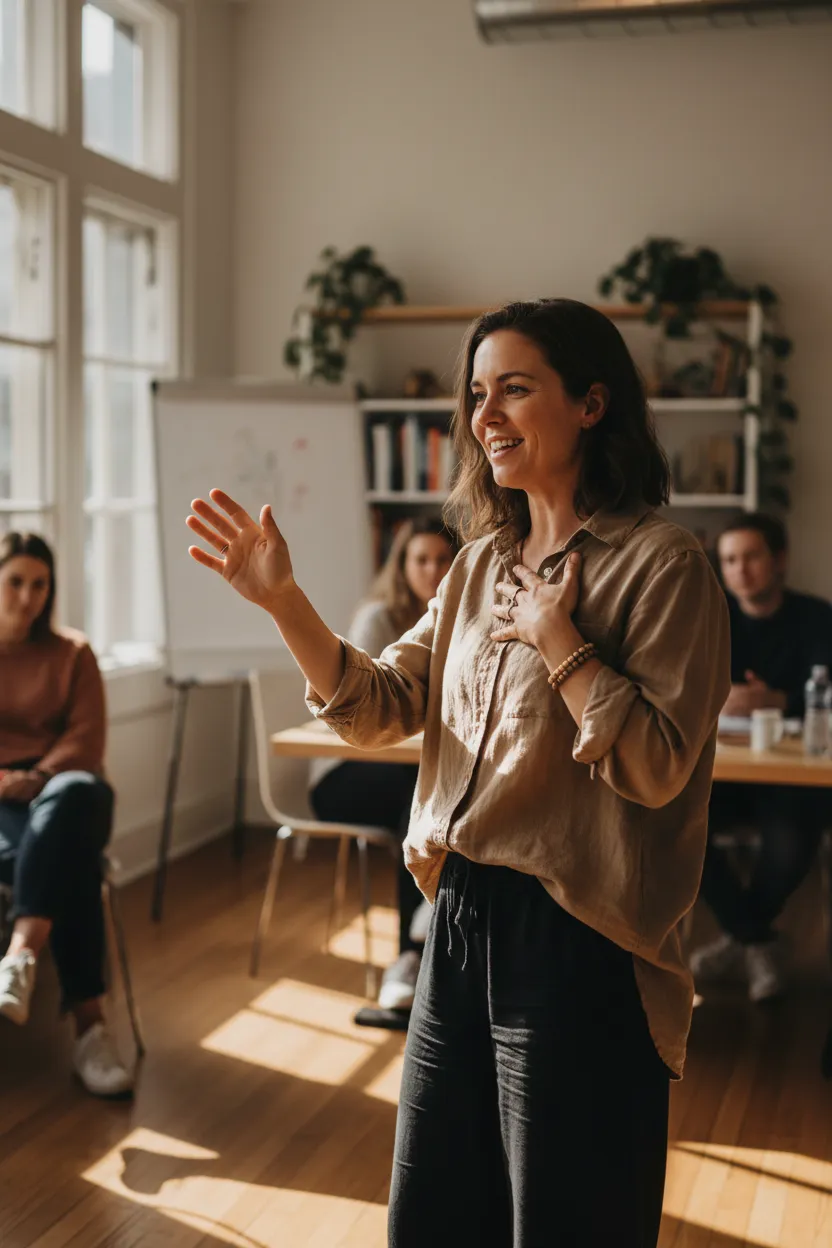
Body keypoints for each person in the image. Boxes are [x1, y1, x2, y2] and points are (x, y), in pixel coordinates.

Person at [186, 298, 730, 1248]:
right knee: (433, 1217)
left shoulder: (664, 566)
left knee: (566, 1222)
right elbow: (378, 705)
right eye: (478, 394)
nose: (486, 416)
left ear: (591, 403)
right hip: (459, 919)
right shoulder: (478, 565)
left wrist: (562, 644)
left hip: (581, 943)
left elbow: (655, 770)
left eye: (515, 389)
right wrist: (286, 605)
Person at [0, 532, 132, 1098]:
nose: (27, 596)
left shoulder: (72, 652)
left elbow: (87, 739)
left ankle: (19, 955)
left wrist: (39, 776)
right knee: (72, 861)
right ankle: (90, 1032)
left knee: (80, 795)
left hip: (60, 786)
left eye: (39, 584)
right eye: (15, 582)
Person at [309, 516, 455, 1010]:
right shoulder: (379, 617)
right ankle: (411, 952)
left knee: (427, 794)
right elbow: (366, 718)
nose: (432, 569)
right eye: (421, 559)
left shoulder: (459, 618)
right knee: (419, 796)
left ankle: (433, 940)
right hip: (343, 775)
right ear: (402, 564)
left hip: (411, 774)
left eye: (442, 559)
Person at [691, 512, 832, 1002]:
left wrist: (778, 700)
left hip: (793, 776)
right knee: (678, 826)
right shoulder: (709, 617)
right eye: (729, 559)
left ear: (779, 561)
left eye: (751, 556)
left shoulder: (817, 619)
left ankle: (742, 937)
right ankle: (755, 937)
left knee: (792, 841)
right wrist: (718, 695)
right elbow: (685, 688)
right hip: (727, 772)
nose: (740, 569)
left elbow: (825, 694)